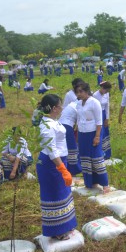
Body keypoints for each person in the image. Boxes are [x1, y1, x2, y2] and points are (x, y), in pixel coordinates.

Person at [36, 94, 78, 240]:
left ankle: (66, 225)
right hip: (52, 165)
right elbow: (51, 149)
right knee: (55, 195)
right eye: (60, 106)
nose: (62, 108)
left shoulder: (53, 121)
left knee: (63, 194)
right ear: (54, 108)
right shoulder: (46, 125)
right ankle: (57, 231)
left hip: (59, 163)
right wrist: (62, 168)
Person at [75, 82, 110, 192]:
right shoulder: (78, 104)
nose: (79, 94)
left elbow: (99, 121)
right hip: (82, 134)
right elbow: (78, 120)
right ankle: (90, 182)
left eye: (81, 91)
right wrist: (77, 134)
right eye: (77, 92)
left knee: (96, 158)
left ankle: (105, 184)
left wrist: (97, 136)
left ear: (86, 91)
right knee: (85, 158)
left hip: (93, 133)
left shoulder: (94, 102)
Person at [59, 99, 82, 176]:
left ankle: (66, 168)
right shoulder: (79, 106)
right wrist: (77, 138)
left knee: (65, 148)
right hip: (67, 126)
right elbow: (79, 125)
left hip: (60, 125)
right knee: (72, 149)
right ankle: (72, 170)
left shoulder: (71, 104)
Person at [92, 81, 113, 160]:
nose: (106, 92)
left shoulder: (106, 94)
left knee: (105, 133)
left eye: (108, 91)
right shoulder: (95, 95)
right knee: (99, 133)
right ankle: (100, 154)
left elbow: (107, 106)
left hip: (104, 114)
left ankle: (107, 154)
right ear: (102, 88)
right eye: (106, 90)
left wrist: (107, 118)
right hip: (97, 115)